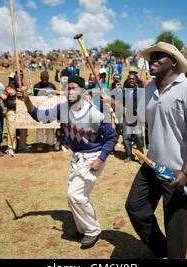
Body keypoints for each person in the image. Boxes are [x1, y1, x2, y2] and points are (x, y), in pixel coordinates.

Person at [125, 42, 187, 259]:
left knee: (175, 225)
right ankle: (163, 251)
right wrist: (113, 104)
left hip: (178, 171)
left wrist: (186, 172)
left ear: (173, 62)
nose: (152, 60)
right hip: (152, 165)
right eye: (151, 57)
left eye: (159, 57)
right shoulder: (149, 88)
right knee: (135, 208)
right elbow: (140, 120)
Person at [17, 76, 117, 249]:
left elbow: (112, 137)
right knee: (74, 197)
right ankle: (83, 228)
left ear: (82, 91)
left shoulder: (93, 112)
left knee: (75, 195)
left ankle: (92, 230)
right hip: (77, 156)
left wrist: (100, 160)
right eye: (68, 88)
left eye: (74, 88)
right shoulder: (63, 108)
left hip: (93, 157)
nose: (70, 91)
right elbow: (39, 116)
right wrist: (26, 99)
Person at [113, 73, 144, 162]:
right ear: (127, 80)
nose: (131, 80)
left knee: (138, 138)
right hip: (126, 118)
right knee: (126, 138)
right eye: (129, 79)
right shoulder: (123, 91)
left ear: (136, 80)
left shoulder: (139, 91)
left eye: (133, 79)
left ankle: (141, 157)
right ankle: (129, 155)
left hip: (136, 119)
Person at [33, 71, 57, 152]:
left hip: (50, 111)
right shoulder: (36, 86)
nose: (44, 80)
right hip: (39, 111)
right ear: (40, 78)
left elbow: (56, 98)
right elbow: (34, 99)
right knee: (39, 128)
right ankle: (39, 144)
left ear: (48, 77)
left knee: (50, 128)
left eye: (46, 78)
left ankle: (50, 144)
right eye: (43, 78)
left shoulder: (52, 86)